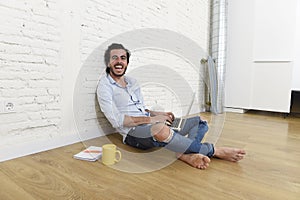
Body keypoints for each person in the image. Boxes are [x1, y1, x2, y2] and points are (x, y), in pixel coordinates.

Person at [97, 43, 246, 169]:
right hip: (132, 133)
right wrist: (152, 121)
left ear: (127, 62)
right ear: (108, 62)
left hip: (150, 121)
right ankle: (214, 150)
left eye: (123, 58)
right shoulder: (105, 86)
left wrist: (156, 114)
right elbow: (116, 120)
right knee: (160, 129)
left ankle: (185, 153)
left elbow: (141, 109)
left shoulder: (132, 82)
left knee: (200, 121)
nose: (119, 61)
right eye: (114, 58)